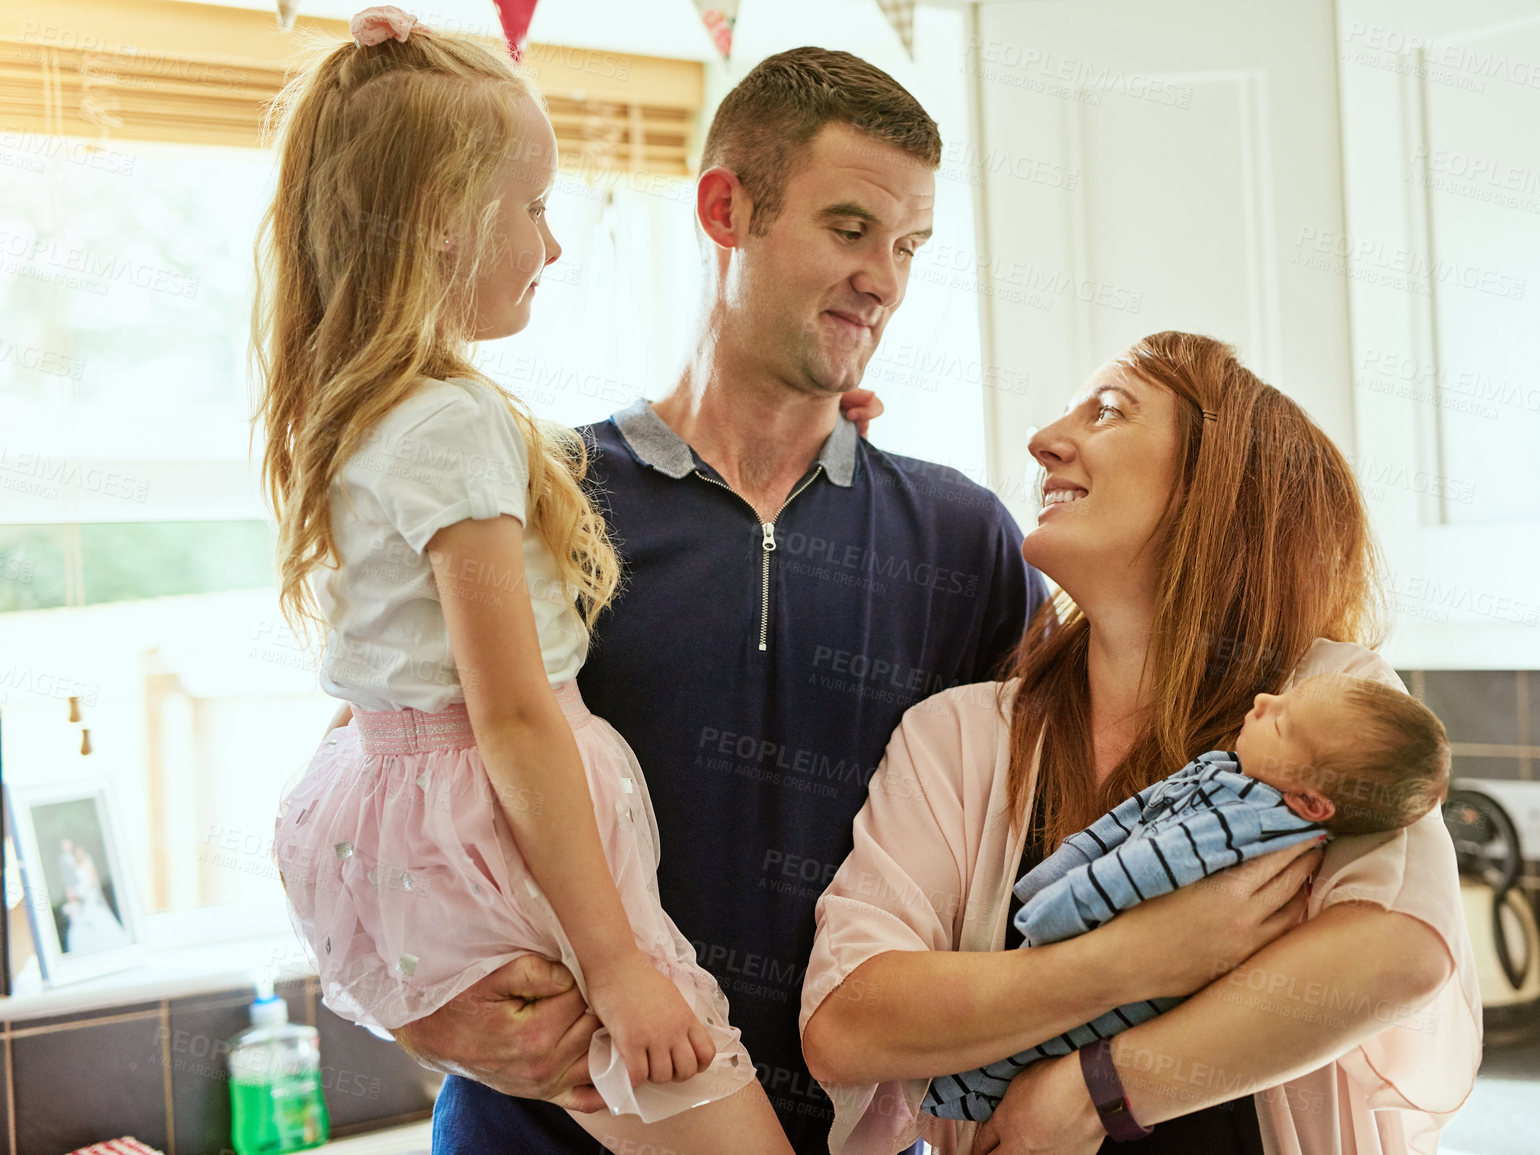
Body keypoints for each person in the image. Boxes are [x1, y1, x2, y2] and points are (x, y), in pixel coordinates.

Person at [386, 47, 1051, 1154]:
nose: (884, 279)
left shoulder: (961, 539)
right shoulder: (531, 498)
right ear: (725, 208)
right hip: (538, 1131)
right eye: (850, 229)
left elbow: (1060, 823)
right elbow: (384, 795)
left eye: (909, 247)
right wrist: (425, 1011)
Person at [258, 10, 789, 1151]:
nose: (552, 247)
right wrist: (619, 966)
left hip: (400, 817)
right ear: (445, 224)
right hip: (504, 836)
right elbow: (510, 713)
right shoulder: (454, 422)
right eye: (535, 209)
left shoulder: (357, 410)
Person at [801, 332, 1482, 1155]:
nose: (1044, 439)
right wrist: (1137, 959)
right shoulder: (958, 735)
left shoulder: (1328, 696)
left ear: (1219, 482)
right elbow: (846, 1021)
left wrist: (1091, 1093)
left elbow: (1399, 951)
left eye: (1109, 411)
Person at [924, 674, 1452, 1122]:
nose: (1266, 702)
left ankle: (952, 1090)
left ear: (1310, 800)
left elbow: (1149, 865)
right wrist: (1053, 878)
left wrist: (1052, 912)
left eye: (1282, 723)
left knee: (1039, 1043)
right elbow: (1127, 822)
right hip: (1091, 939)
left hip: (1114, 966)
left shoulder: (1250, 824)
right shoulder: (1231, 776)